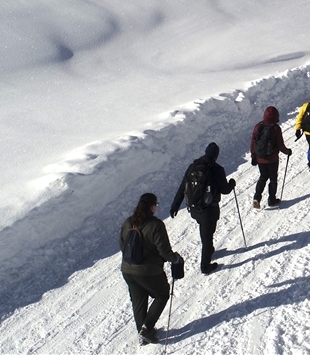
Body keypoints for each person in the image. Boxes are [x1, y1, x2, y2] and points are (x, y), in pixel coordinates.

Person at [120, 192, 182, 345]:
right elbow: (165, 251)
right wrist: (176, 259)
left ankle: (143, 333)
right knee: (162, 294)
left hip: (127, 270)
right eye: (156, 205)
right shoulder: (156, 225)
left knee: (138, 300)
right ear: (152, 206)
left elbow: (122, 245)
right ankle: (147, 329)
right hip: (148, 272)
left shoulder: (128, 222)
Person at [169, 142, 236, 274]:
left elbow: (183, 186)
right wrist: (232, 184)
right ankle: (205, 266)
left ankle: (209, 250)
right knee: (207, 236)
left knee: (205, 232)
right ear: (216, 155)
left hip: (194, 209)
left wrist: (175, 205)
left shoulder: (193, 166)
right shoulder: (217, 169)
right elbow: (225, 189)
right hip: (209, 210)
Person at [250, 106, 292, 208]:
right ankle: (272, 200)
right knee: (273, 179)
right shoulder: (275, 128)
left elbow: (253, 142)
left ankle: (257, 198)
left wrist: (253, 155)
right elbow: (280, 145)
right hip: (272, 159)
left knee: (263, 177)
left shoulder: (258, 126)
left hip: (260, 158)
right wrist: (288, 152)